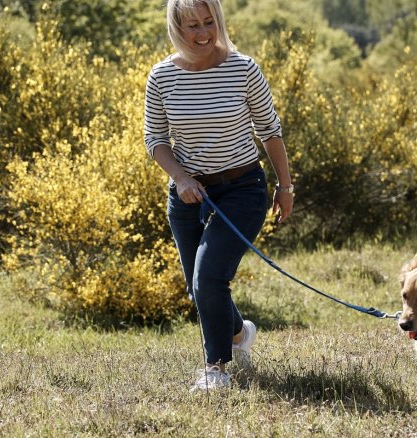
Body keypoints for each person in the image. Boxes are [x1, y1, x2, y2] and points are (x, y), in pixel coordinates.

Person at [144, 0, 294, 391]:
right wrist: (180, 178)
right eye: (193, 25)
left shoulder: (243, 68)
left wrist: (285, 186)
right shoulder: (161, 77)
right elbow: (156, 140)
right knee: (198, 288)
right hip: (188, 193)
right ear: (177, 27)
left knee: (210, 277)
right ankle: (240, 333)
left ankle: (216, 370)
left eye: (209, 22)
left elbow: (270, 131)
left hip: (243, 188)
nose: (203, 33)